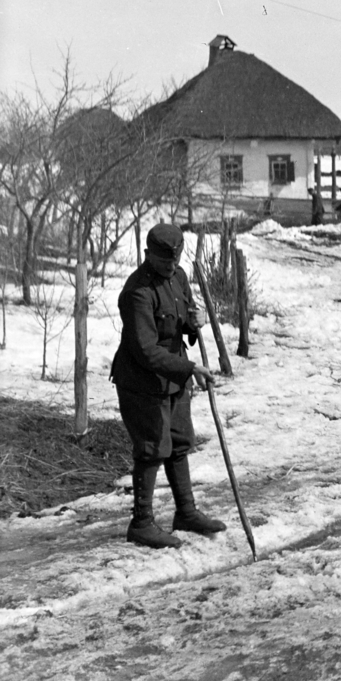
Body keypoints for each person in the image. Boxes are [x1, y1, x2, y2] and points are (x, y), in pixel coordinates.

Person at [111, 224, 224, 548]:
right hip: (142, 382)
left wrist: (194, 321)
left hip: (173, 378)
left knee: (178, 442)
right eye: (164, 263)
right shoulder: (137, 292)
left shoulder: (179, 277)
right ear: (148, 255)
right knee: (152, 449)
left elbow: (181, 319)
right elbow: (146, 350)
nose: (170, 268)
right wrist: (189, 368)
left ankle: (185, 513)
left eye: (174, 262)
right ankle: (141, 524)